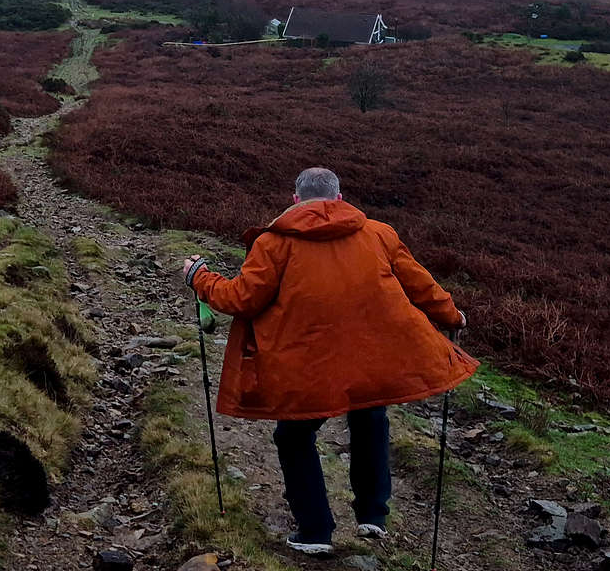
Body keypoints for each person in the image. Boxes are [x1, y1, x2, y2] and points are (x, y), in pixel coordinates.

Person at [181, 167, 475, 554]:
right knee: (370, 416)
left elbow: (241, 299)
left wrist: (200, 277)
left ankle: (316, 531)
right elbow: (422, 285)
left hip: (306, 364)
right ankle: (373, 515)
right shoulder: (379, 233)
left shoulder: (274, 243)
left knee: (294, 436)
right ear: (339, 198)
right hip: (369, 358)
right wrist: (453, 317)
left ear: (295, 200)